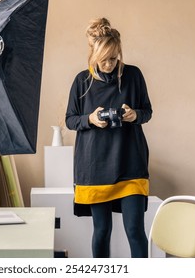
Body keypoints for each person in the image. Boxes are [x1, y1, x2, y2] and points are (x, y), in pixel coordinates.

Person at [65, 17, 152, 258]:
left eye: (114, 58)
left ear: (119, 53)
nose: (109, 65)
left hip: (130, 164)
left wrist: (134, 115)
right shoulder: (82, 81)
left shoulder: (133, 75)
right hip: (95, 166)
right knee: (102, 230)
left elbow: (147, 112)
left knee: (135, 230)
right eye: (103, 60)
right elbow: (70, 119)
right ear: (93, 55)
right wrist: (90, 119)